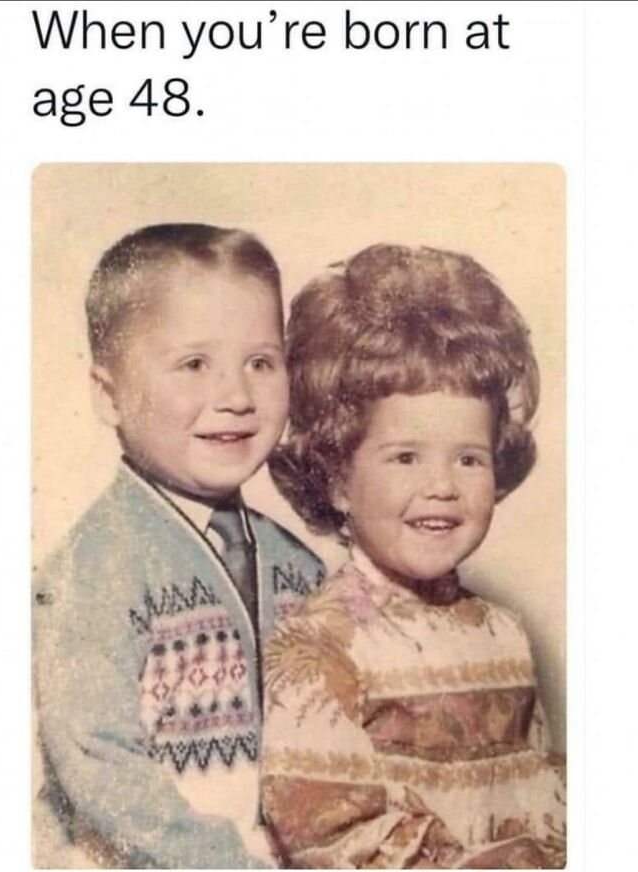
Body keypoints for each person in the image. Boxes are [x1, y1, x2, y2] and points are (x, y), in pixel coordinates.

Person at [261, 244, 566, 868]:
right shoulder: (320, 646)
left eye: (468, 458)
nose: (443, 485)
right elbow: (327, 831)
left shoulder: (504, 633)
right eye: (406, 457)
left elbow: (544, 793)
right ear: (338, 479)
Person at [33, 223, 324, 868]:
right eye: (195, 364)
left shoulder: (300, 568)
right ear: (109, 396)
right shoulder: (94, 568)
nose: (236, 397)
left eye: (261, 362)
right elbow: (98, 764)